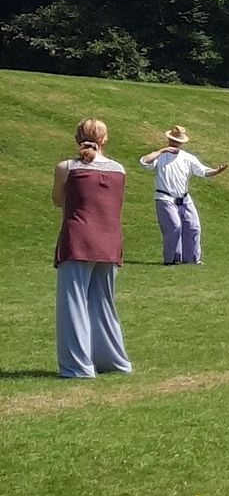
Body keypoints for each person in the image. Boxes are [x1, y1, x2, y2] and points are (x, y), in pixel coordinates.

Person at [52, 118, 133, 379]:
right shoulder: (119, 169)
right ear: (104, 139)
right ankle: (114, 361)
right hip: (110, 241)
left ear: (77, 138)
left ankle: (78, 367)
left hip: (78, 240)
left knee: (73, 304)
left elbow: (57, 200)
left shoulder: (66, 167)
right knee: (104, 303)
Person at [139, 125, 228, 265]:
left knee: (193, 227)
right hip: (165, 197)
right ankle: (172, 259)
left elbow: (203, 171)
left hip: (184, 198)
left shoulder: (188, 158)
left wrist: (216, 171)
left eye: (178, 142)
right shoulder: (160, 156)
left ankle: (192, 259)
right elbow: (144, 161)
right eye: (173, 141)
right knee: (174, 226)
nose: (175, 144)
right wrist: (162, 150)